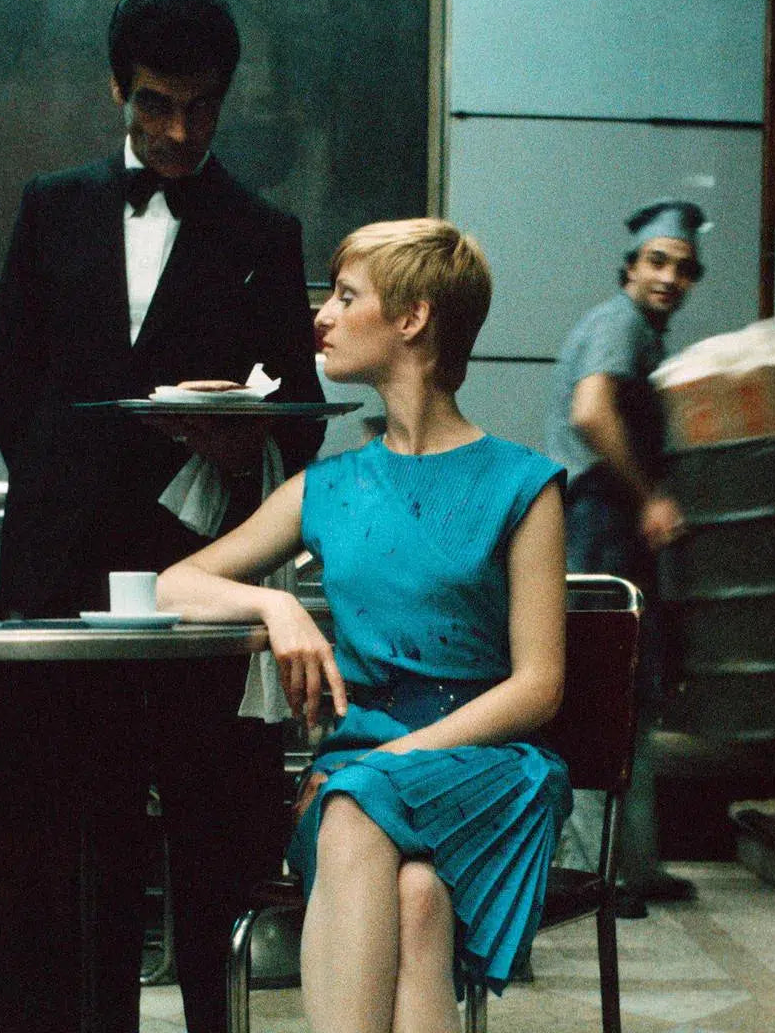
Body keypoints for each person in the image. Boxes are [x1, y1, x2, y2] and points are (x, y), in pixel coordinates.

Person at [0, 0, 325, 1033]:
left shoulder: (264, 231)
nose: (178, 131)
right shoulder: (52, 207)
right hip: (57, 572)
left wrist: (241, 437)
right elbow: (12, 391)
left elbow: (305, 421)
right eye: (155, 104)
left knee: (212, 835)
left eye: (201, 107)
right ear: (116, 89)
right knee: (53, 841)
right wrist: (66, 502)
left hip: (199, 581)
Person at [159, 218, 572, 1032]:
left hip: (484, 769)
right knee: (415, 897)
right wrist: (277, 604)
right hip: (358, 767)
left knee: (353, 807)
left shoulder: (524, 483)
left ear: (413, 318)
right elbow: (177, 584)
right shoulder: (330, 486)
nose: (322, 315)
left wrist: (387, 760)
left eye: (346, 297)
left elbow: (539, 687)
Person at [545, 199, 707, 915]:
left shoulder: (640, 332)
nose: (669, 277)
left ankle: (635, 862)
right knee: (600, 691)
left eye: (683, 268)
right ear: (630, 268)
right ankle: (592, 872)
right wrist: (649, 497)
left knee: (631, 695)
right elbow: (591, 411)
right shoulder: (619, 325)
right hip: (596, 522)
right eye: (657, 262)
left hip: (611, 523)